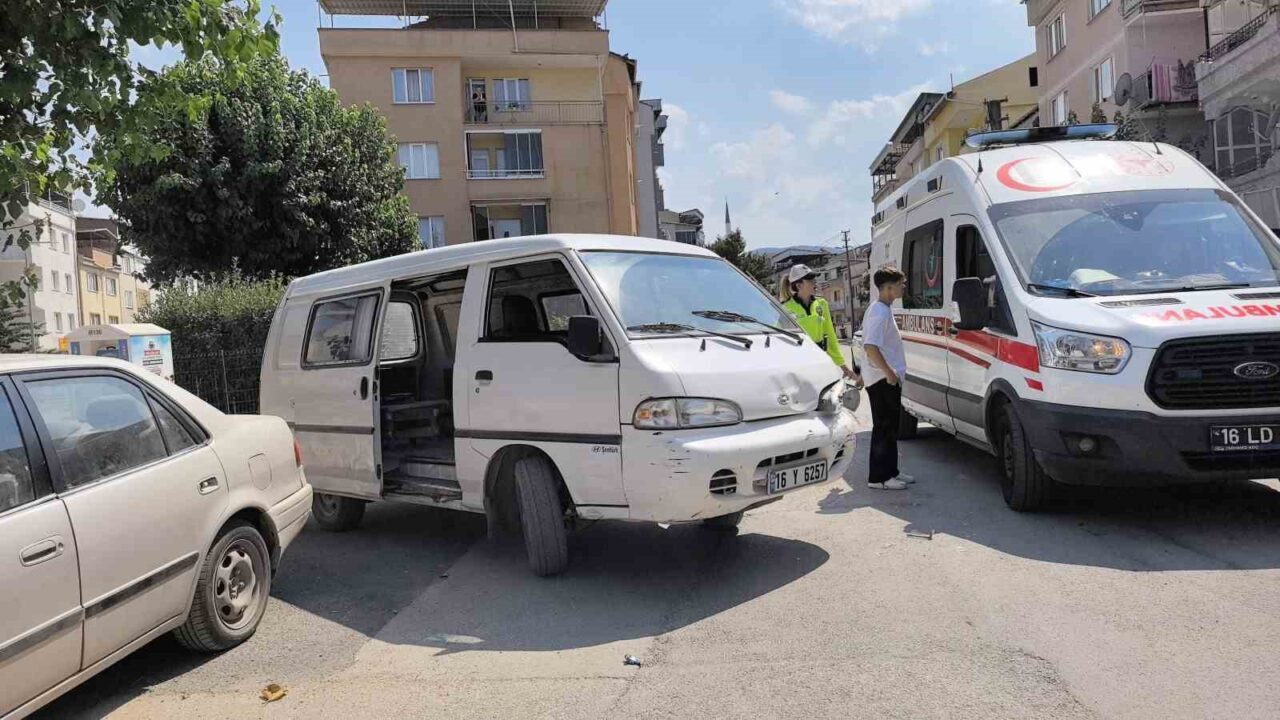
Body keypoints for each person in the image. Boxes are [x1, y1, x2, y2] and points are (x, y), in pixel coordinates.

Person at [862, 266, 912, 491]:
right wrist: (890, 373)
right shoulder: (879, 312)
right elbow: (871, 347)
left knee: (891, 428)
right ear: (889, 288)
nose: (904, 287)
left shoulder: (882, 309)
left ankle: (892, 472)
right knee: (883, 429)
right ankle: (879, 478)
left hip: (885, 378)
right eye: (901, 284)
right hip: (882, 380)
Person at [781, 264, 861, 383]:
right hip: (798, 367)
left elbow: (831, 336)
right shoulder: (785, 308)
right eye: (810, 280)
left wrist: (844, 367)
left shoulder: (821, 304)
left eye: (814, 279)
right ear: (798, 285)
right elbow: (780, 341)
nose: (815, 283)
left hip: (820, 361)